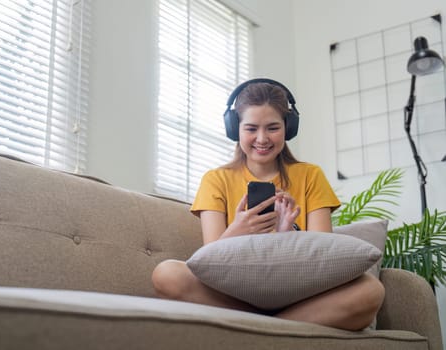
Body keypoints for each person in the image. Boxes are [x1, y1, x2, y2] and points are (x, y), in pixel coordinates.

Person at [151, 79, 385, 331]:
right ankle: (280, 327)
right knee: (166, 274)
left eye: (272, 128)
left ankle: (261, 329)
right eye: (251, 128)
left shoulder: (310, 176)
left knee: (371, 290)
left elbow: (325, 257)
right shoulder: (215, 180)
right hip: (232, 293)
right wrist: (236, 231)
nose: (262, 139)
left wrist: (290, 235)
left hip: (303, 292)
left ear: (288, 127)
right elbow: (208, 260)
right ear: (234, 129)